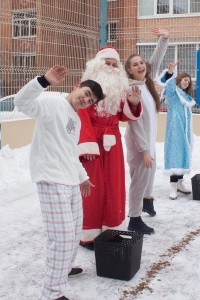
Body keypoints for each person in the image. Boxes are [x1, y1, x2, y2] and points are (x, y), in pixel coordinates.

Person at [14, 65, 105, 300]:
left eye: (90, 100)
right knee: (62, 237)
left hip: (69, 182)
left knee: (74, 232)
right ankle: (52, 292)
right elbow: (21, 103)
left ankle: (63, 269)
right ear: (77, 88)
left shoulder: (74, 118)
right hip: (51, 179)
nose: (85, 99)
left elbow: (69, 151)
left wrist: (82, 177)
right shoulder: (52, 104)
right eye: (85, 93)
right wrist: (43, 81)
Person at [78, 46, 142, 250]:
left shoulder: (119, 89)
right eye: (107, 64)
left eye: (115, 65)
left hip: (112, 142)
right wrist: (87, 147)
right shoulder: (84, 87)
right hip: (92, 143)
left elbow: (124, 116)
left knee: (114, 185)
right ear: (97, 65)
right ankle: (88, 235)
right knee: (92, 189)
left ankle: (111, 230)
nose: (112, 68)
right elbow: (80, 116)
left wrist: (132, 103)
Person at [124, 27, 169, 234]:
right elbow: (134, 123)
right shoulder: (131, 89)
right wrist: (144, 150)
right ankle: (134, 219)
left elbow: (156, 60)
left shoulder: (145, 84)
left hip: (148, 142)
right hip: (139, 143)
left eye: (141, 62)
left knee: (149, 175)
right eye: (135, 64)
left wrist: (163, 39)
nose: (141, 65)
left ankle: (147, 202)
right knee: (139, 180)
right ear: (129, 71)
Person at [156, 61, 196, 200]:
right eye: (185, 80)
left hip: (185, 131)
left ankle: (179, 182)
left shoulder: (186, 96)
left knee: (184, 153)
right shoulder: (173, 94)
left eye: (188, 81)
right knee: (175, 154)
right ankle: (172, 186)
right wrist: (171, 72)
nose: (186, 83)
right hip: (175, 130)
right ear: (179, 80)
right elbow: (169, 85)